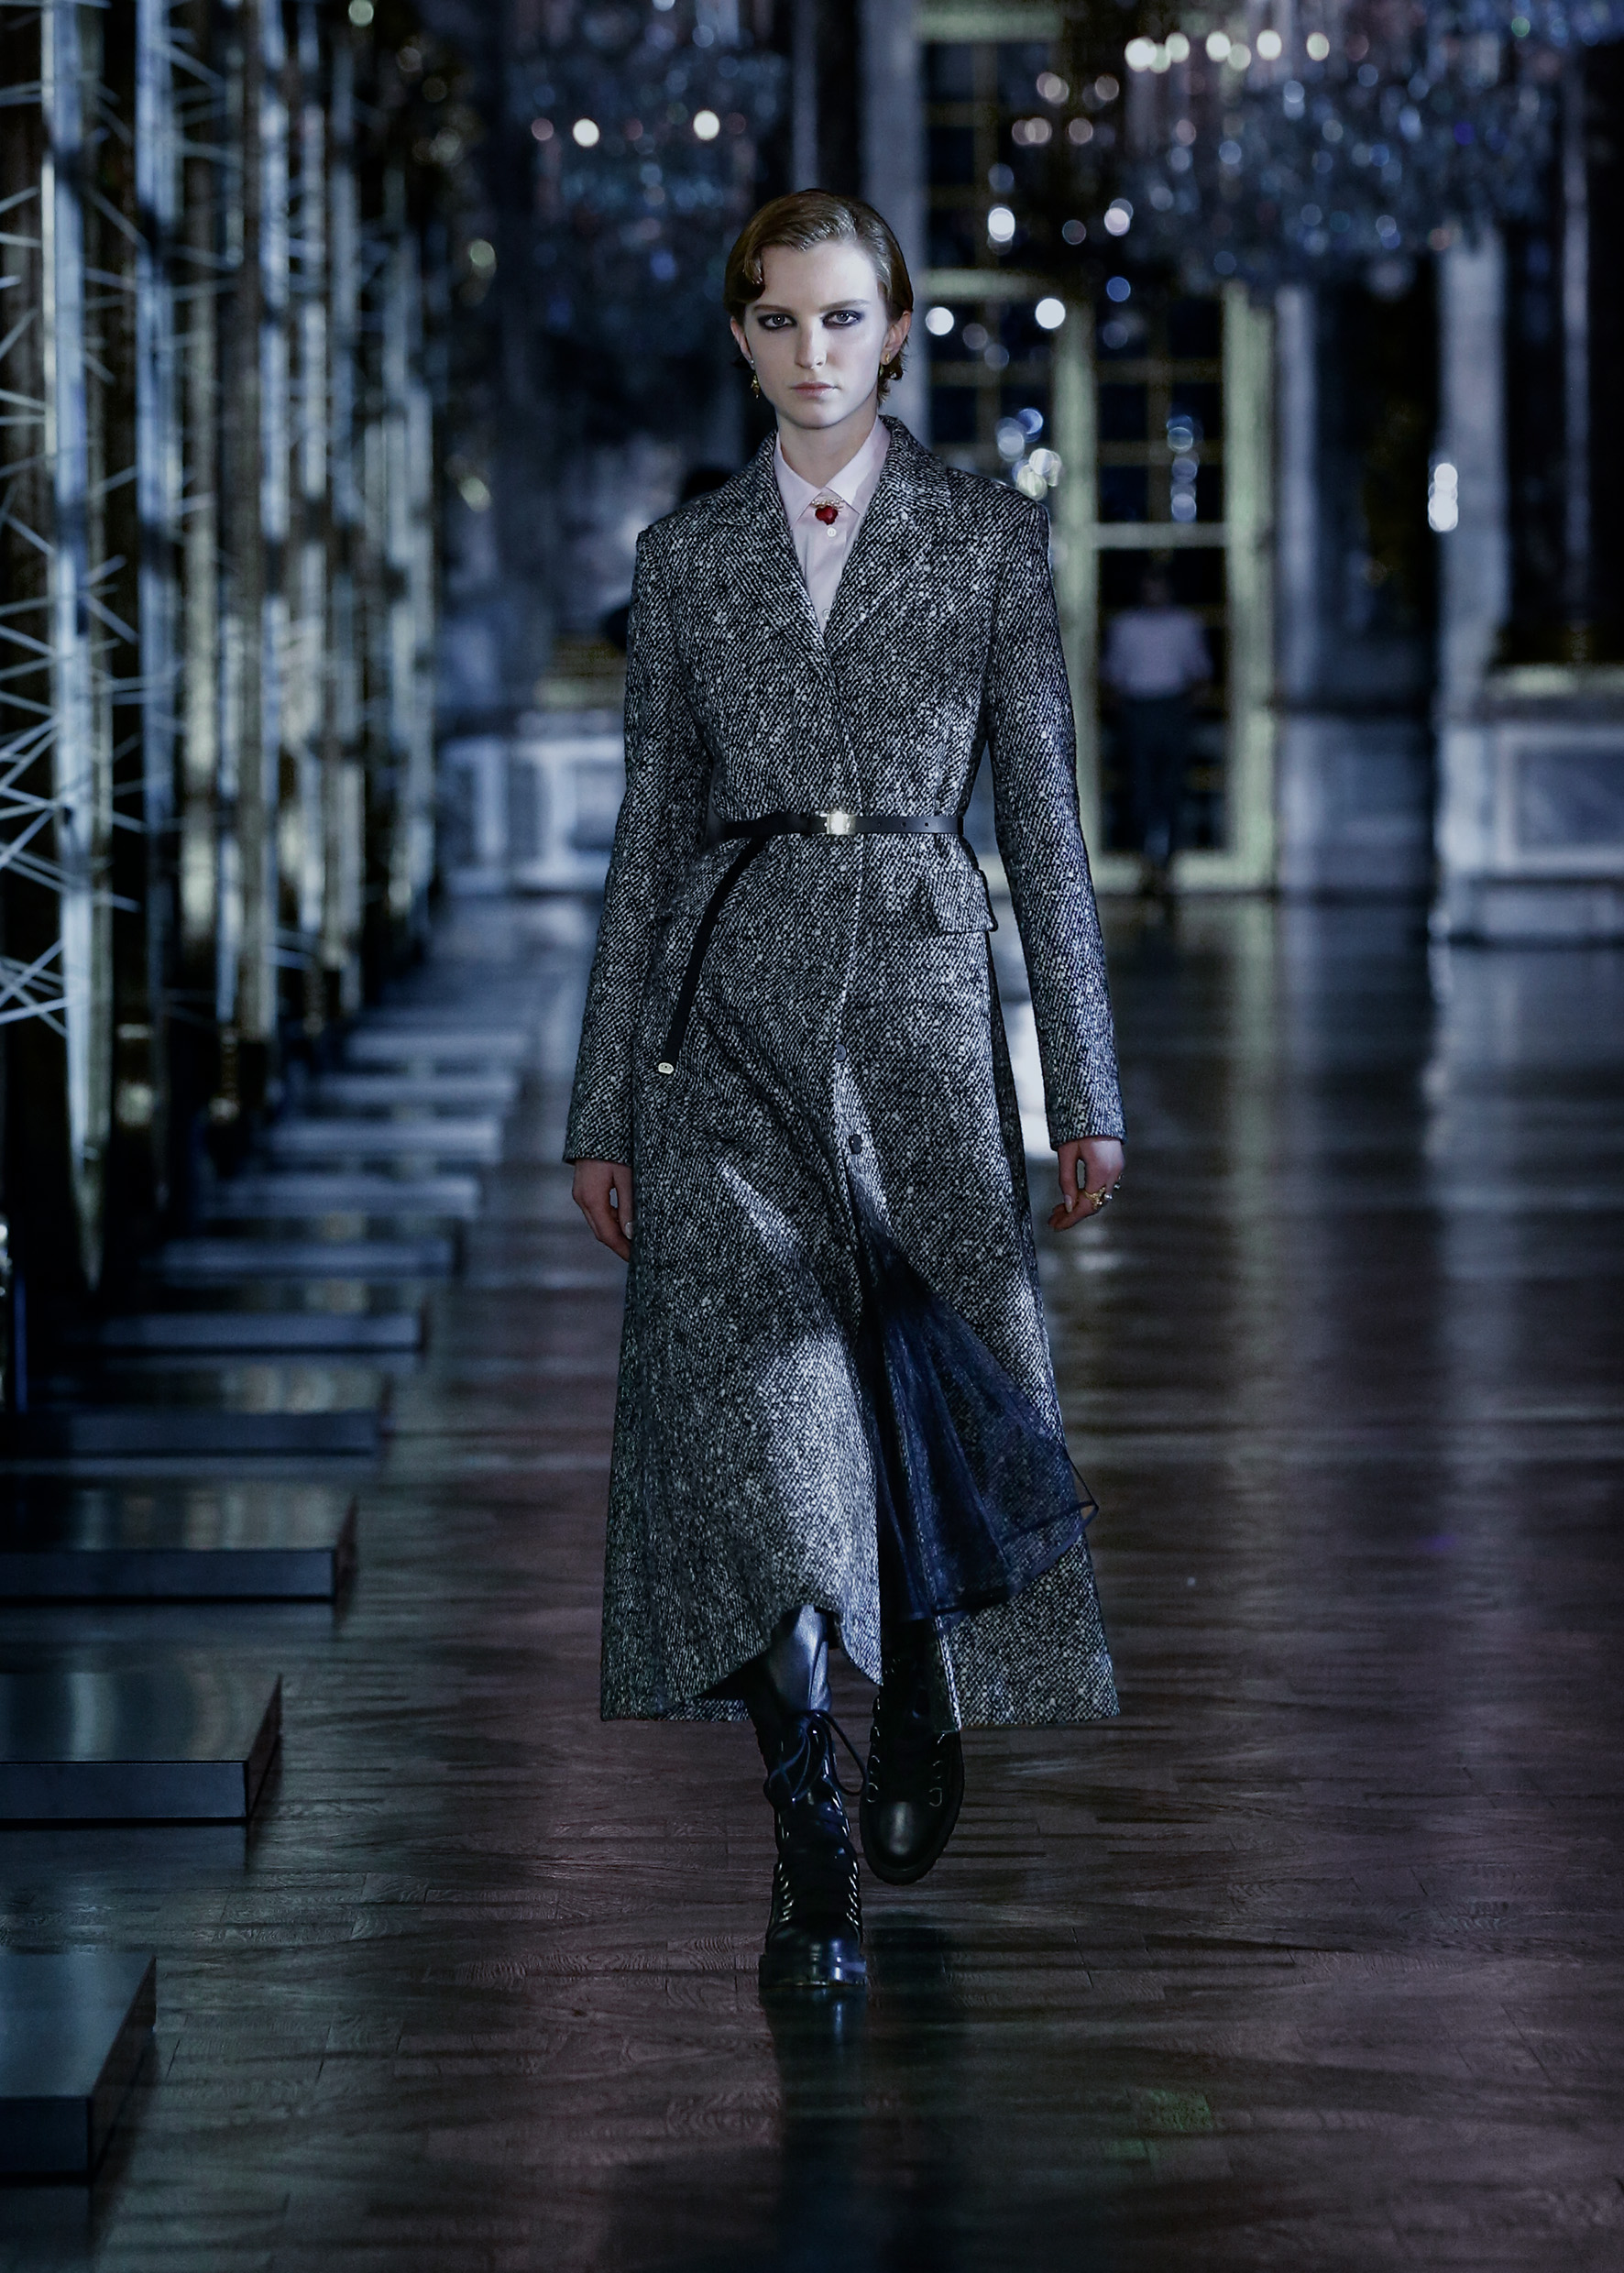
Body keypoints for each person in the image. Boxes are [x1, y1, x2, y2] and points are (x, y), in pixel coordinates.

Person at [566, 191, 1125, 2000]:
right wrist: (601, 1107)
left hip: (921, 1016)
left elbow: (1044, 823)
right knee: (762, 1428)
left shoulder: (988, 542)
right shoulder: (685, 560)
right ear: (741, 340)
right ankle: (804, 1832)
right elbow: (647, 840)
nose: (812, 351)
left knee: (907, 1402)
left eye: (841, 318)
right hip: (721, 1021)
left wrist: (1083, 1085)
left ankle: (925, 1676)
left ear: (895, 333)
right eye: (777, 319)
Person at [1101, 566, 1211, 894]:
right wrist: (1123, 711)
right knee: (1140, 790)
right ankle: (1145, 864)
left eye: (1158, 587)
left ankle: (1168, 866)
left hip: (1172, 707)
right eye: (1149, 587)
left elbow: (1200, 672)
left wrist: (1187, 710)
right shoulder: (1125, 626)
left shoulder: (1185, 624)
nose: (1154, 594)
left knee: (1172, 789)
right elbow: (1112, 676)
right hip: (1138, 708)